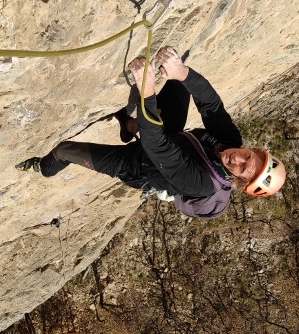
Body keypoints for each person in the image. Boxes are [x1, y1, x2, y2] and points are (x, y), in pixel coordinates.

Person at [15, 48, 286, 219]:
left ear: (238, 180)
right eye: (248, 156)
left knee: (65, 149)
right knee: (179, 86)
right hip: (172, 140)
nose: (237, 158)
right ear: (253, 150)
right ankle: (129, 125)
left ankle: (41, 166)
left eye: (243, 169)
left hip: (137, 166)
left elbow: (156, 146)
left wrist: (147, 88)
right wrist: (182, 72)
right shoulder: (231, 142)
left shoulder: (202, 184)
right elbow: (211, 105)